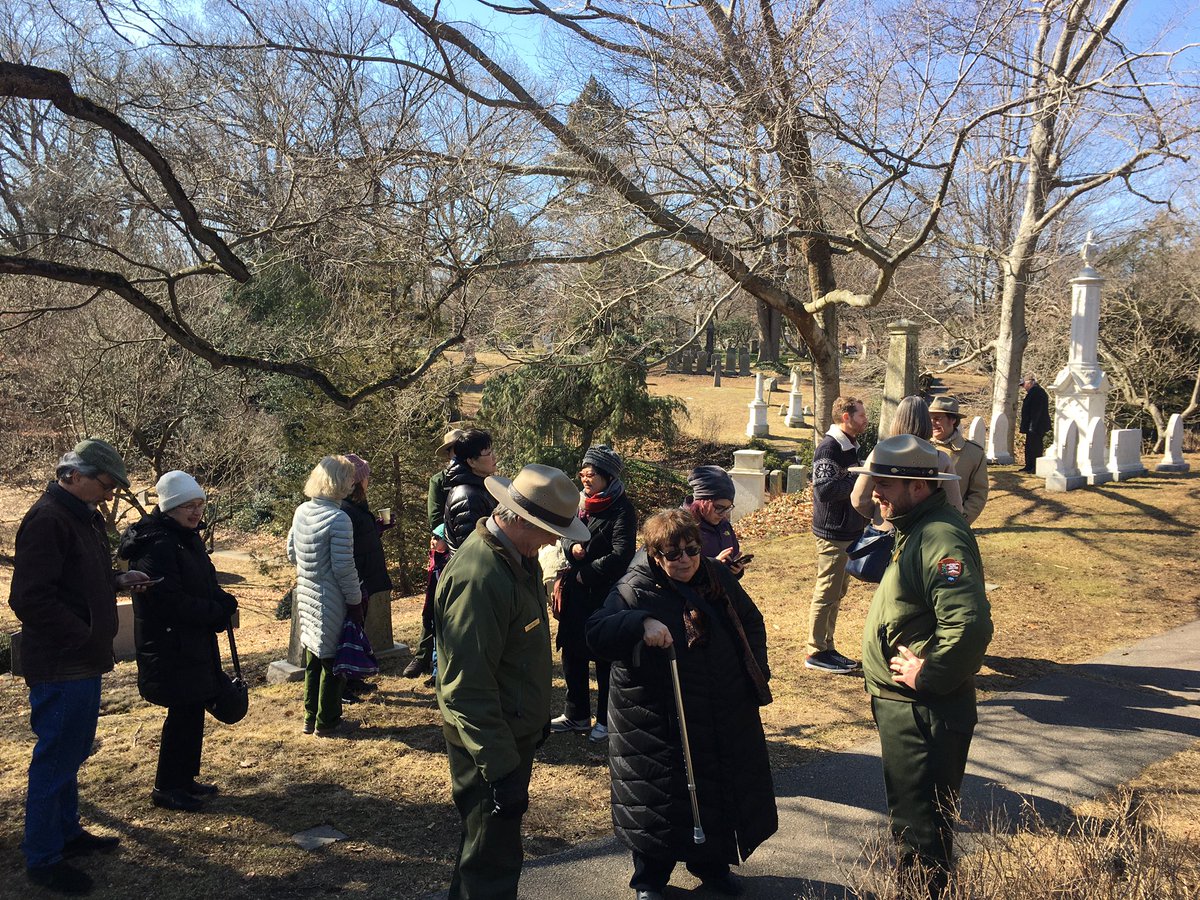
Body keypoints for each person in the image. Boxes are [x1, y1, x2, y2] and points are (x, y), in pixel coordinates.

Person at [586, 508, 777, 900]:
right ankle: (650, 880)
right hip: (658, 717)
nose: (685, 560)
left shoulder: (716, 576)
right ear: (655, 555)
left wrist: (753, 669)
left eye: (691, 549)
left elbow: (750, 620)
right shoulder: (632, 588)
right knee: (662, 798)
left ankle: (711, 866)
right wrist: (638, 622)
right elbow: (596, 632)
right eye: (673, 554)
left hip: (720, 707)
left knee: (715, 790)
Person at [433, 464, 590, 899]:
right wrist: (501, 768)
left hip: (506, 735)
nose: (555, 540)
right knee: (490, 862)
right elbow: (466, 688)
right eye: (547, 530)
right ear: (518, 518)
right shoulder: (481, 577)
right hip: (489, 746)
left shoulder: (512, 558)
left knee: (486, 854)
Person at [850, 435, 993, 897]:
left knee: (922, 830)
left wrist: (928, 675)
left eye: (885, 482)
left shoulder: (939, 535)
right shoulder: (916, 527)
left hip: (921, 710)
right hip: (906, 707)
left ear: (917, 486)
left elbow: (969, 623)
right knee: (915, 820)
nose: (875, 490)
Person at [9, 439, 153, 894]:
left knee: (71, 754)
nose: (110, 494)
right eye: (106, 484)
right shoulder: (48, 520)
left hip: (82, 661)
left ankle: (67, 834)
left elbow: (75, 581)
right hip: (61, 664)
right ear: (74, 474)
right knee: (55, 760)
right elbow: (29, 598)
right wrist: (83, 635)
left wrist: (116, 580)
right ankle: (44, 857)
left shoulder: (81, 518)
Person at [118, 470, 239, 813]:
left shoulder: (187, 538)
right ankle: (167, 786)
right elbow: (170, 602)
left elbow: (204, 581)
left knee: (192, 710)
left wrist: (222, 600)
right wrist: (216, 610)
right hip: (170, 644)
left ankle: (184, 779)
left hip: (192, 642)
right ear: (170, 507)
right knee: (182, 712)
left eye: (200, 504)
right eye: (188, 505)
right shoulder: (156, 545)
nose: (196, 512)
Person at [549, 445, 637, 743]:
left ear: (607, 476)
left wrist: (584, 573)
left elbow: (621, 554)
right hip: (575, 593)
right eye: (583, 472)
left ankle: (606, 719)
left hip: (603, 594)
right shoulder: (579, 503)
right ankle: (576, 715)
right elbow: (562, 530)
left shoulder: (622, 508)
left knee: (603, 657)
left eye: (592, 474)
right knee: (572, 654)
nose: (585, 479)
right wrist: (568, 547)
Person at [288, 455, 363, 738]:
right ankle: (328, 720)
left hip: (306, 591)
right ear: (340, 483)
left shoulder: (301, 511)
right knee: (334, 660)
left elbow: (291, 553)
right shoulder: (338, 518)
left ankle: (310, 716)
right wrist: (355, 600)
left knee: (313, 657)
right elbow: (344, 567)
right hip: (330, 595)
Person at [806, 395, 869, 674]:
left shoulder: (850, 445)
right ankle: (816, 651)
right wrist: (862, 475)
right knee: (827, 591)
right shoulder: (829, 448)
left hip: (848, 530)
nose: (865, 420)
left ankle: (828, 647)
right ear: (846, 417)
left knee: (837, 591)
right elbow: (826, 490)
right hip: (833, 533)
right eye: (861, 416)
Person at [405, 428, 464, 678]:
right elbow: (434, 518)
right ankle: (423, 656)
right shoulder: (439, 481)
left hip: (470, 548)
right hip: (443, 549)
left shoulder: (479, 478)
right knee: (433, 603)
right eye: (454, 450)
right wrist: (443, 538)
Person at [852, 396, 963, 522]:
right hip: (924, 531)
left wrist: (880, 516)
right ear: (927, 422)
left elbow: (859, 499)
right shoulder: (941, 459)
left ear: (896, 420)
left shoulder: (879, 453)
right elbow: (955, 507)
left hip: (885, 530)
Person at [340, 453, 393, 700]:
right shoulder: (345, 510)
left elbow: (362, 537)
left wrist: (378, 528)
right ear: (356, 482)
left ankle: (354, 678)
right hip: (355, 580)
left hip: (364, 579)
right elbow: (348, 547)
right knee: (346, 631)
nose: (368, 480)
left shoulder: (357, 507)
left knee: (357, 628)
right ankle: (343, 685)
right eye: (366, 477)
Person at [928, 396, 988, 526]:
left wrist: (960, 519)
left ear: (953, 420)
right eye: (930, 418)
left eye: (938, 419)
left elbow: (978, 493)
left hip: (950, 524)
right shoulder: (919, 446)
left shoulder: (973, 453)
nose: (932, 423)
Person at [682, 465, 747, 576]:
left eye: (728, 508)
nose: (723, 514)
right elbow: (678, 574)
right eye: (719, 507)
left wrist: (736, 571)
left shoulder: (724, 524)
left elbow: (732, 557)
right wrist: (714, 566)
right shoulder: (681, 527)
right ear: (702, 501)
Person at [442, 429, 499, 554]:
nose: (494, 457)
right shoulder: (467, 496)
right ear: (471, 461)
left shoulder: (480, 487)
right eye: (488, 453)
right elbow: (471, 549)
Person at [1019, 375, 1052, 473]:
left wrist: (1033, 426)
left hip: (1036, 426)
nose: (1023, 387)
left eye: (1024, 384)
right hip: (1032, 425)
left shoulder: (1038, 392)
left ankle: (1034, 467)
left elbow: (1037, 411)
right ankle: (1028, 466)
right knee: (1029, 446)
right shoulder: (1033, 392)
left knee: (1035, 447)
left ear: (1030, 382)